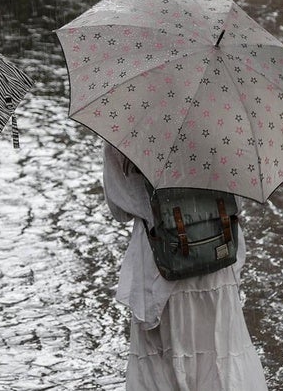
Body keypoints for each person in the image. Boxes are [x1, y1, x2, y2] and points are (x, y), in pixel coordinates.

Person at [102, 142, 268, 390]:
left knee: (166, 359)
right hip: (216, 255)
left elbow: (119, 208)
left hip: (160, 265)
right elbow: (239, 200)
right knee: (221, 350)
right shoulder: (224, 119)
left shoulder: (126, 126)